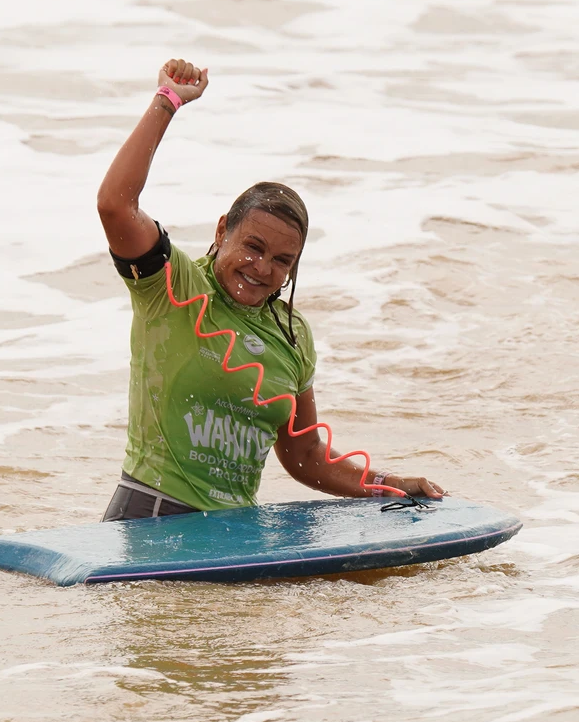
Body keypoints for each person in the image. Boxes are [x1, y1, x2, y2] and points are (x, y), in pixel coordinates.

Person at [96, 58, 446, 521]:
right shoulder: (172, 286)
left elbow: (305, 457)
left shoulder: (292, 334)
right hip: (149, 519)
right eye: (253, 247)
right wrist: (168, 102)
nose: (262, 268)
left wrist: (386, 485)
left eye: (282, 260)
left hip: (237, 537)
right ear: (223, 231)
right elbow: (115, 205)